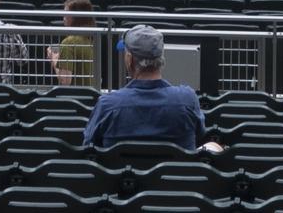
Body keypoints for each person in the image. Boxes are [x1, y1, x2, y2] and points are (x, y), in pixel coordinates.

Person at [83, 26, 219, 152]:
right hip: (175, 177)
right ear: (161, 58)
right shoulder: (187, 99)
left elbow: (89, 145)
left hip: (120, 177)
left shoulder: (107, 104)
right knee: (214, 147)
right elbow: (200, 135)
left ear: (129, 60)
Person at [48, 0, 98, 85]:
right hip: (91, 95)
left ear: (77, 17)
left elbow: (65, 81)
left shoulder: (68, 42)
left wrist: (54, 59)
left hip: (74, 97)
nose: (63, 18)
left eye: (66, 14)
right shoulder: (91, 39)